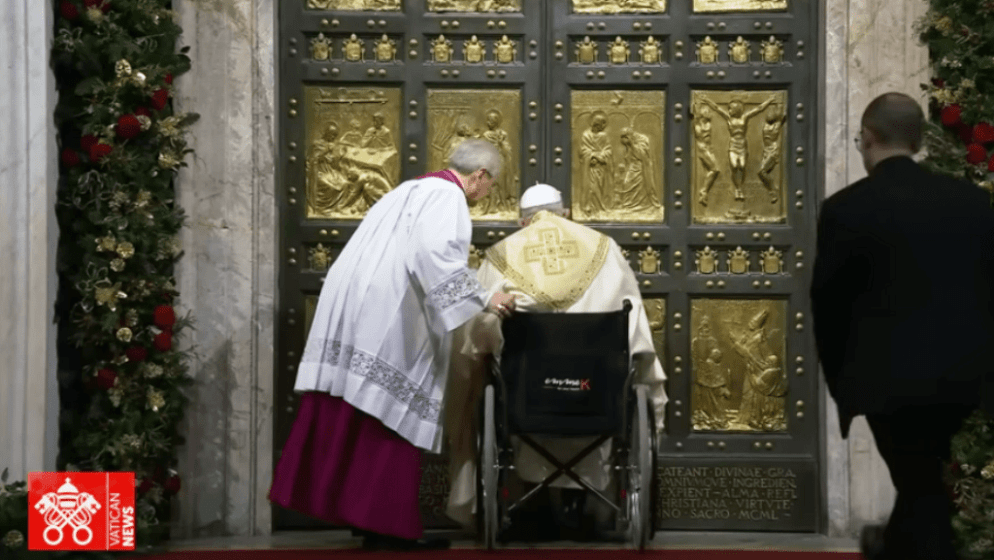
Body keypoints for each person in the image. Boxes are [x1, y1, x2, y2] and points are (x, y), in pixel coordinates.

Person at [269, 138, 518, 551]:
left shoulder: (407, 190)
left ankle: (369, 520)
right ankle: (387, 527)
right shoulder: (447, 197)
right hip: (389, 314)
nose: (487, 194)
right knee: (388, 413)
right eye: (490, 186)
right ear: (479, 177)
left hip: (360, 304)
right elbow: (436, 256)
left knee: (360, 407)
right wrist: (487, 298)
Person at [810, 92, 994, 560]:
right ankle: (890, 544)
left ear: (868, 139)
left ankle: (889, 545)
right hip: (961, 378)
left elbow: (829, 307)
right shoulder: (971, 203)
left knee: (919, 484)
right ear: (918, 139)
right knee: (921, 480)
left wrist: (841, 387)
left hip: (883, 385)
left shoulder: (845, 210)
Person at [444, 183, 667, 538]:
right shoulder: (604, 250)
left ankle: (531, 502)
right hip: (597, 399)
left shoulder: (502, 254)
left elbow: (475, 339)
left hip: (526, 403)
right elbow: (635, 333)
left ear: (522, 222)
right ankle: (585, 504)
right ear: (567, 213)